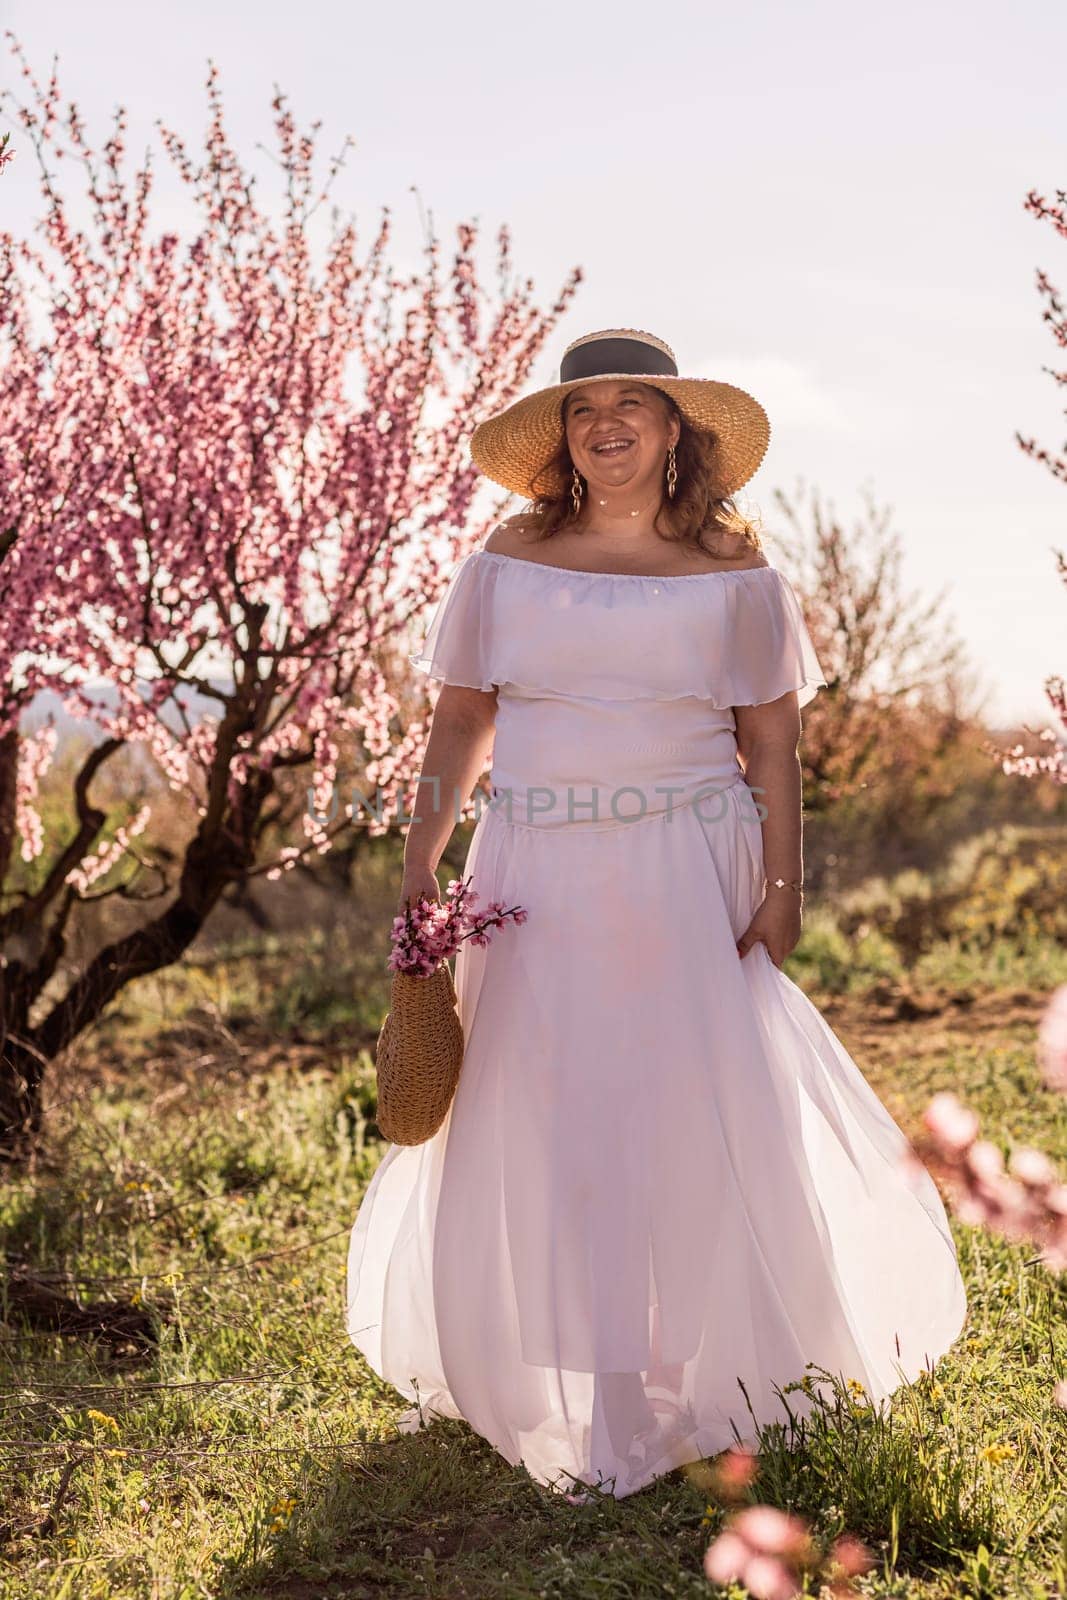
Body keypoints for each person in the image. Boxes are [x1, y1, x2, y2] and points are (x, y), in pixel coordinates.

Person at [346, 327, 968, 1501]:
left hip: (688, 857)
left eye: (635, 404)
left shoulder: (737, 574)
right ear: (562, 439)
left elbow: (772, 744)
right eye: (586, 409)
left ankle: (691, 1370)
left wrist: (783, 890)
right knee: (555, 1105)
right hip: (532, 868)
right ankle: (604, 1391)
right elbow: (459, 720)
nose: (609, 424)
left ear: (676, 430)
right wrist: (421, 855)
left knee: (682, 1102)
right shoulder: (505, 563)